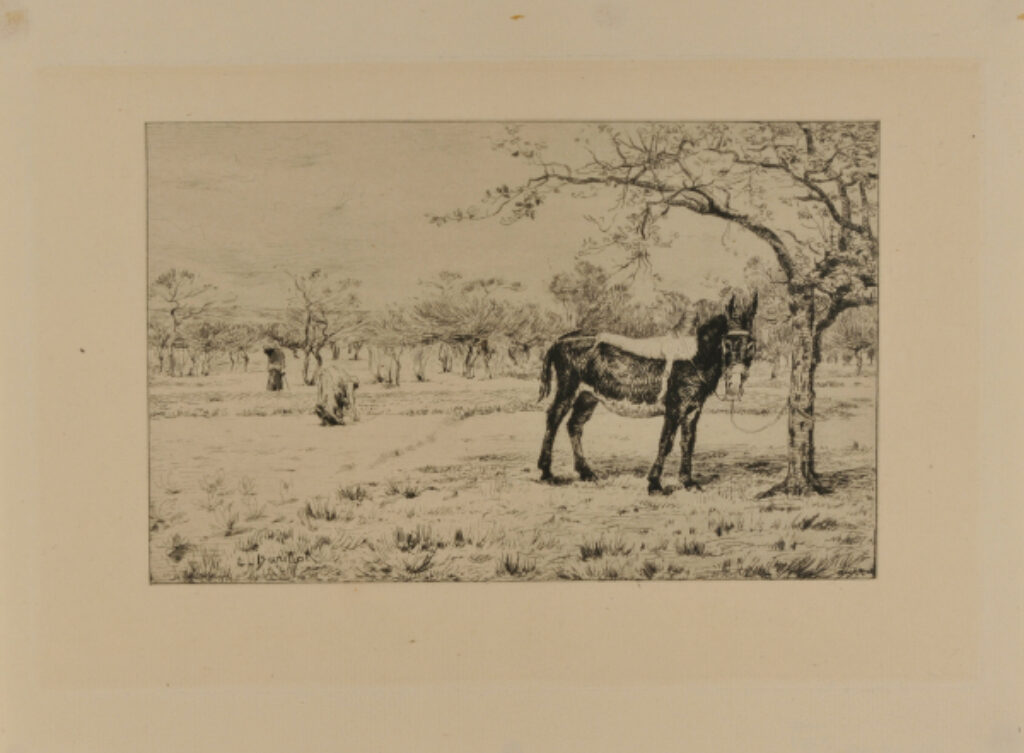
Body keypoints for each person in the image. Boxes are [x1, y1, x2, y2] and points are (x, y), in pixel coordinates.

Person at [594, 317, 696, 404]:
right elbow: (667, 369)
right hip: (656, 347)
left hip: (663, 346)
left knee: (630, 344)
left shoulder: (684, 345)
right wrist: (664, 388)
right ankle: (604, 337)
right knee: (630, 344)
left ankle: (604, 337)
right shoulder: (676, 347)